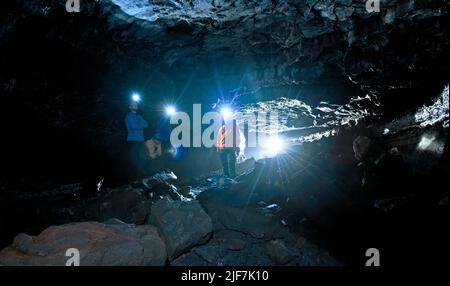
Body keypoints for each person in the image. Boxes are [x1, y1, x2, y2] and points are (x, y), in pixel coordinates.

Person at [216, 106, 242, 178]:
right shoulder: (222, 128)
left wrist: (236, 147)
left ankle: (233, 178)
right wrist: (218, 147)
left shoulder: (234, 126)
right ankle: (227, 178)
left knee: (231, 164)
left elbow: (237, 137)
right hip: (223, 149)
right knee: (225, 165)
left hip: (231, 148)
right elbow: (219, 138)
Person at [125, 102, 148, 179]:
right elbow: (133, 127)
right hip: (133, 140)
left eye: (136, 105)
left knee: (142, 156)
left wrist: (140, 122)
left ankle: (140, 174)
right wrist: (140, 124)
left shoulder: (139, 116)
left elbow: (146, 125)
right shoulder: (128, 116)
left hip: (140, 139)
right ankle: (134, 176)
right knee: (134, 158)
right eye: (133, 105)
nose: (135, 106)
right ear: (130, 107)